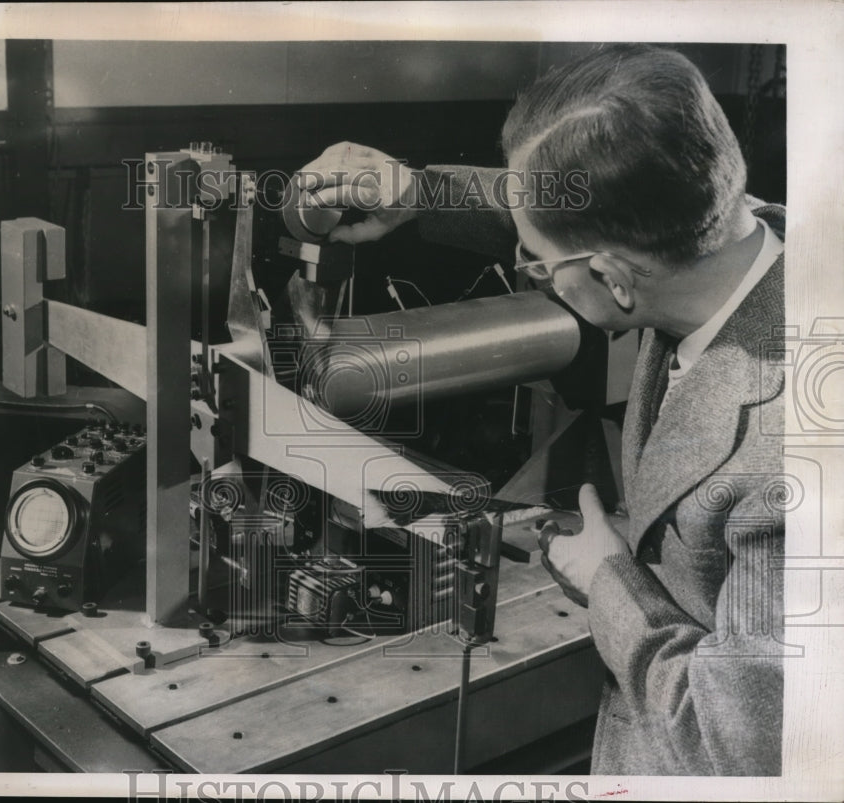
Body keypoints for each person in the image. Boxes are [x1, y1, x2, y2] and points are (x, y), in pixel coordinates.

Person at [295, 44, 785, 776]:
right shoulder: (721, 235)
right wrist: (419, 194)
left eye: (534, 263)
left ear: (614, 280)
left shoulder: (794, 454)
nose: (528, 267)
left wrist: (610, 579)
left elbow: (738, 740)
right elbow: (588, 201)